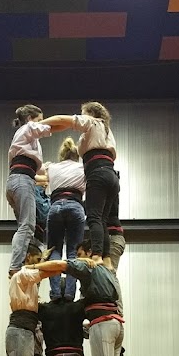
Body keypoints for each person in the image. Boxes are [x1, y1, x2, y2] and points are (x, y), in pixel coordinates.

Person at [42, 103, 120, 262]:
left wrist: (38, 125)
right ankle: (106, 259)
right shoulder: (107, 130)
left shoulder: (92, 122)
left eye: (83, 113)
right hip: (111, 175)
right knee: (102, 220)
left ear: (90, 114)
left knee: (94, 218)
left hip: (97, 173)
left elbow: (62, 119)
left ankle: (97, 256)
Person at [64, 247, 124, 356]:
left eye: (80, 255)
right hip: (116, 323)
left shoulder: (91, 269)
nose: (78, 258)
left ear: (90, 253)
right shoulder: (108, 271)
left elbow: (66, 264)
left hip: (103, 323)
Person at [6, 246, 70, 356]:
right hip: (21, 329)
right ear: (28, 257)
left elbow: (41, 276)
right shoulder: (23, 273)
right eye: (36, 259)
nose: (39, 264)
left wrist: (42, 260)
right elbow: (47, 272)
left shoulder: (29, 282)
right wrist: (69, 266)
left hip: (23, 329)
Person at [6, 105, 53, 275]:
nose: (41, 123)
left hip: (17, 181)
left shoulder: (29, 141)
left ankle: (19, 262)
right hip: (22, 181)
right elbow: (49, 127)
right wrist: (71, 122)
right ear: (31, 119)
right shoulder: (27, 128)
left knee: (23, 228)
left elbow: (40, 172)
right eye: (39, 120)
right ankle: (15, 266)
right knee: (27, 226)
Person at [40, 137, 86, 301]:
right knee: (73, 251)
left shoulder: (52, 167)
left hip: (55, 206)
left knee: (54, 250)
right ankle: (69, 294)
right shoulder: (82, 167)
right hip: (75, 205)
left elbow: (39, 174)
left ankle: (55, 293)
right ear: (76, 155)